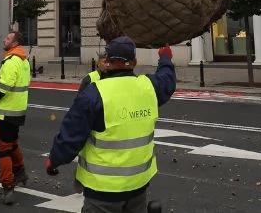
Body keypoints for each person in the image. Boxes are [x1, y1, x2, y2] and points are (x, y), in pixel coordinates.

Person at [44, 37, 176, 213]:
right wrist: (165, 58)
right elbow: (167, 80)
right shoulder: (149, 87)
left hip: (102, 192)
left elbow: (71, 135)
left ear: (107, 61)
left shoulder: (94, 93)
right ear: (135, 62)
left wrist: (54, 160)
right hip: (138, 186)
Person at [0, 30, 32, 205]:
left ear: (14, 43)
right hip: (17, 111)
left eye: (8, 38)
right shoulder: (24, 61)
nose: (5, 40)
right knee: (12, 143)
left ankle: (8, 187)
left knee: (3, 149)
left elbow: (3, 88)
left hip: (5, 112)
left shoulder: (10, 61)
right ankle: (21, 172)